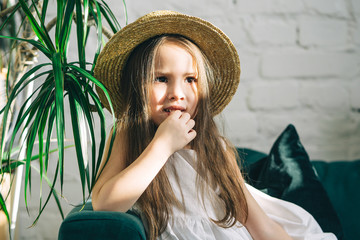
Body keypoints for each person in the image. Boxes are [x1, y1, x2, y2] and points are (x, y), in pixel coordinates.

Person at [91, 10, 336, 240]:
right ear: (137, 86)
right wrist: (162, 146)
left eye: (190, 80)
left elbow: (259, 226)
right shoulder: (127, 134)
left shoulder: (214, 148)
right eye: (161, 79)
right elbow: (104, 204)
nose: (178, 93)